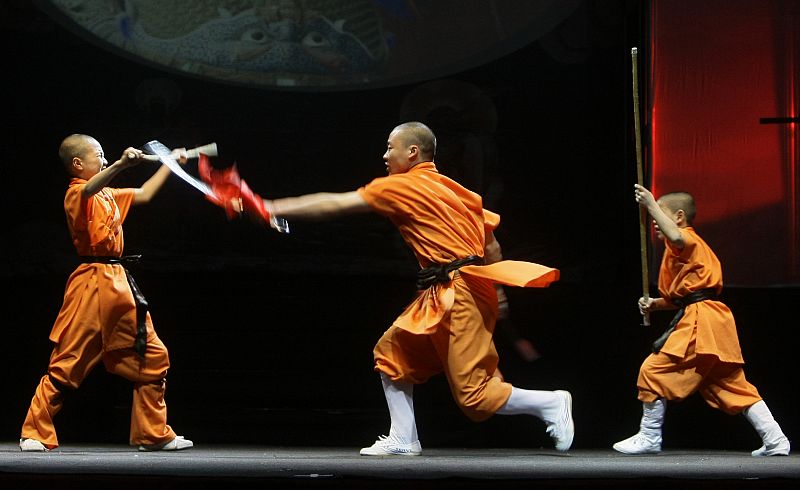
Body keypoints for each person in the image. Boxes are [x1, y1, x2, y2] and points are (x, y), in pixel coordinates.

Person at [231, 121, 573, 455]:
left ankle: (550, 403)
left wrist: (268, 206)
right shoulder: (457, 191)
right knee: (392, 355)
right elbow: (492, 247)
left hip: (460, 292)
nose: (384, 155)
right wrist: (496, 292)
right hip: (454, 289)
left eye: (389, 148)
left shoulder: (403, 186)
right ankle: (403, 438)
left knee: (476, 397)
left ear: (412, 152)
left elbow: (335, 203)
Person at [19, 134, 193, 452]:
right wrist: (121, 165)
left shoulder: (108, 195)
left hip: (119, 284)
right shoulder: (76, 194)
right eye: (98, 155)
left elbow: (144, 193)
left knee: (153, 356)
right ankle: (33, 431)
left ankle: (152, 433)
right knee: (68, 360)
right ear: (77, 163)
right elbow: (88, 189)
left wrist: (169, 165)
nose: (104, 159)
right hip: (90, 284)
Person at [613, 184, 790, 456]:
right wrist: (655, 304)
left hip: (702, 320)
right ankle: (776, 439)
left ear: (679, 217)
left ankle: (649, 436)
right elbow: (686, 295)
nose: (655, 222)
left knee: (652, 369)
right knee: (732, 384)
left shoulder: (686, 239)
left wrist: (650, 203)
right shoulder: (681, 251)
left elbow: (675, 236)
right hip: (710, 317)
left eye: (661, 214)